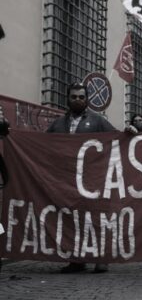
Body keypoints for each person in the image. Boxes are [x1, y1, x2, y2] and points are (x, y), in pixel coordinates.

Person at [47, 82, 116, 274]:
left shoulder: (97, 121)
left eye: (81, 97)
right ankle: (76, 260)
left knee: (95, 219)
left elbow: (117, 139)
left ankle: (101, 259)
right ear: (67, 99)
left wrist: (131, 133)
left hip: (92, 180)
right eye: (74, 97)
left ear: (87, 99)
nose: (78, 100)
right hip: (66, 181)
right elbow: (43, 145)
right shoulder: (58, 124)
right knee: (72, 220)